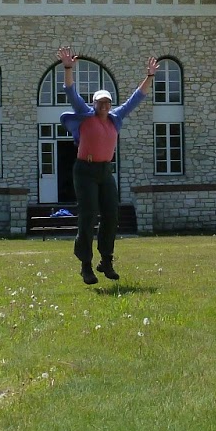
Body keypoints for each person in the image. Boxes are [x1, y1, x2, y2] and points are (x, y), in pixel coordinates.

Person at [56, 46, 158, 284]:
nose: (104, 105)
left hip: (105, 171)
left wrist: (150, 76)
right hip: (84, 170)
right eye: (100, 102)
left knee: (112, 213)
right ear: (93, 103)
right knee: (89, 214)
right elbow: (70, 90)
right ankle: (85, 265)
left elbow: (137, 97)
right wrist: (68, 68)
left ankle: (106, 260)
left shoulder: (116, 118)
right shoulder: (85, 114)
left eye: (107, 102)